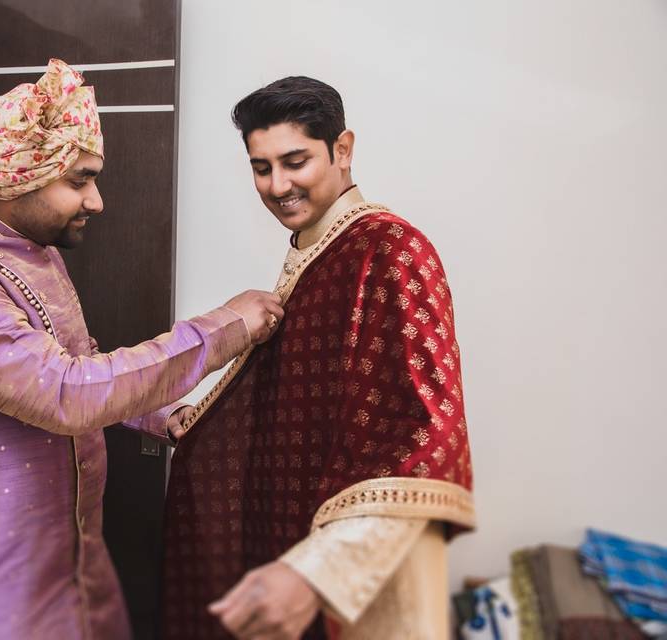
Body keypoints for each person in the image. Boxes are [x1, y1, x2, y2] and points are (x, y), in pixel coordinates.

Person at [0, 59, 283, 639]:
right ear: (20, 174)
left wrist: (167, 416)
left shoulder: (35, 252)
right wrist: (224, 328)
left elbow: (80, 362)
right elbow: (64, 391)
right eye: (78, 181)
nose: (96, 202)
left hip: (75, 560)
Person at [162, 76, 476, 639]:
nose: (278, 185)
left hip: (345, 578)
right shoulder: (321, 251)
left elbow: (423, 437)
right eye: (261, 167)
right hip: (291, 543)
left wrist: (316, 573)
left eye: (295, 161)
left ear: (343, 149)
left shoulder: (390, 250)